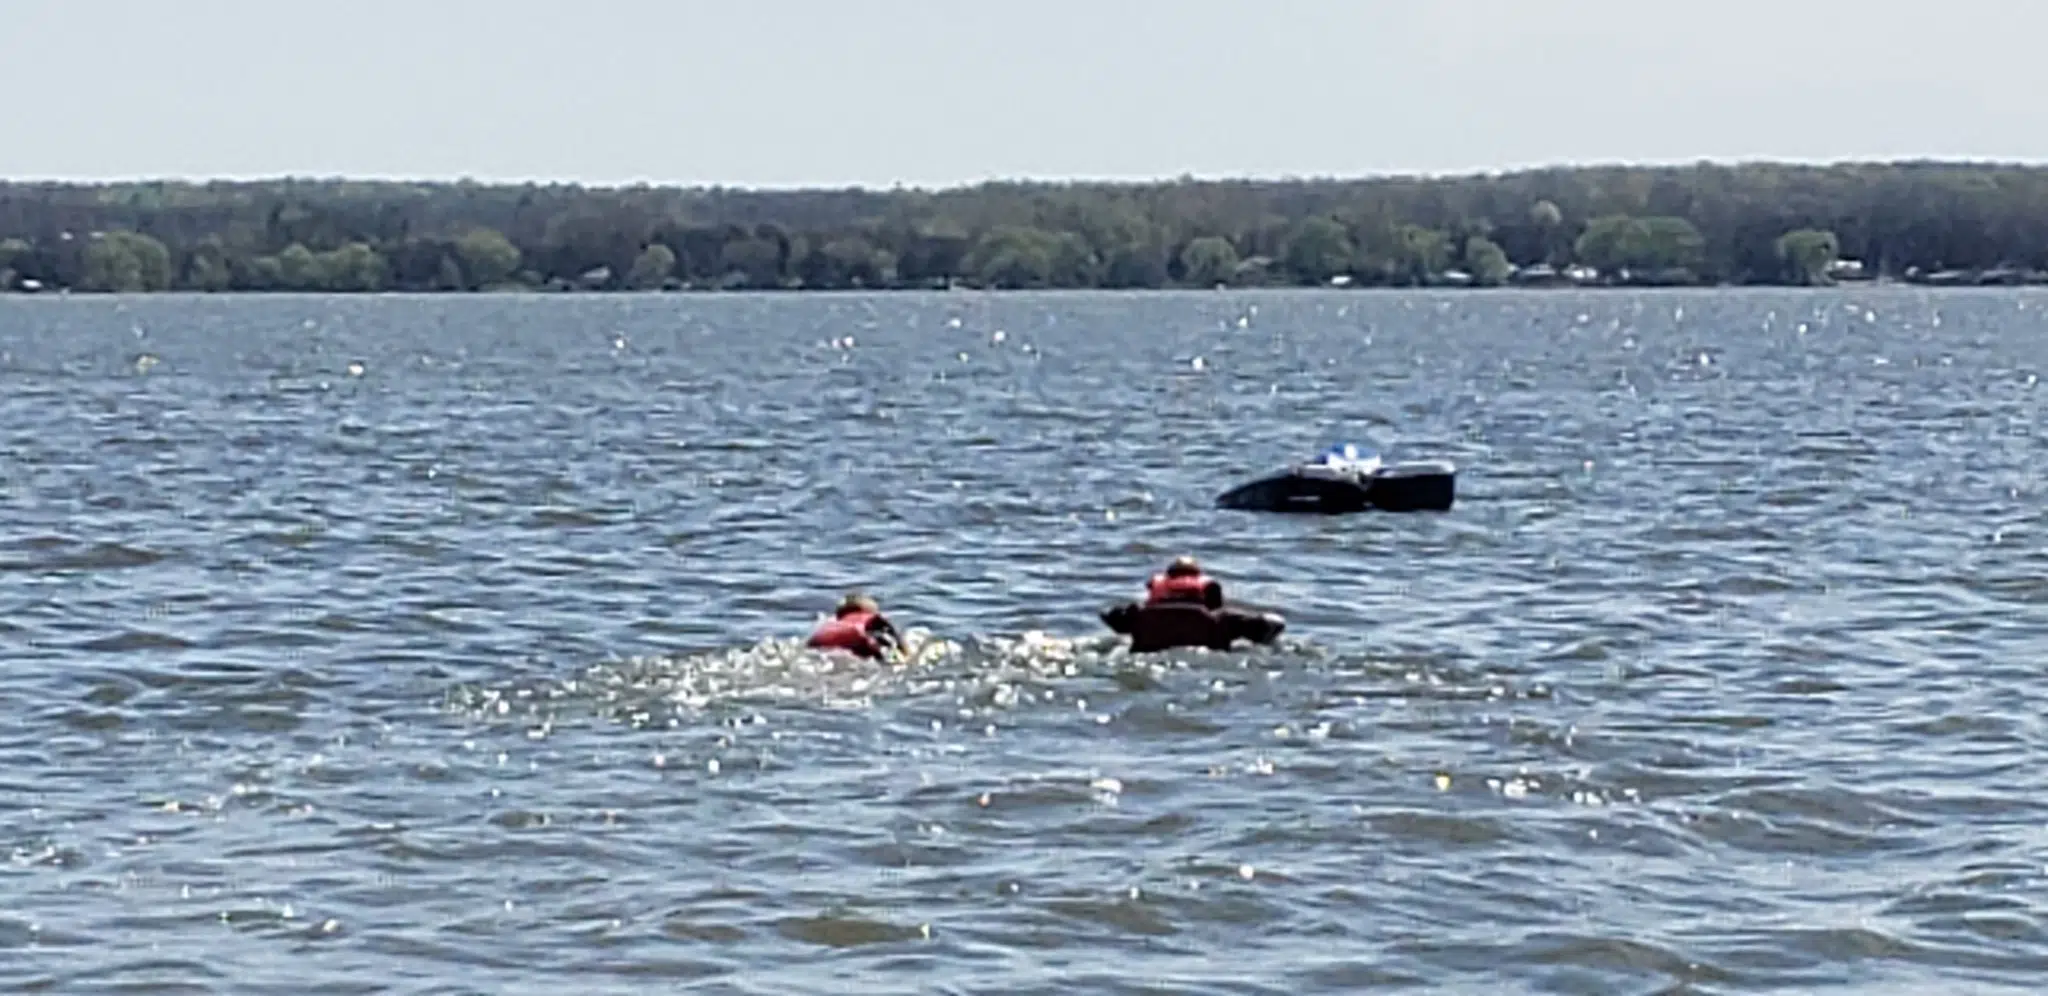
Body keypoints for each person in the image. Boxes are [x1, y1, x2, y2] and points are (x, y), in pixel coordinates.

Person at [806, 592, 903, 660]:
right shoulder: (870, 617)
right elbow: (889, 629)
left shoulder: (829, 625)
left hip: (818, 642)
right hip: (857, 636)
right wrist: (905, 653)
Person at [1144, 555, 1224, 611]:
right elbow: (1217, 610)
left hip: (1158, 625)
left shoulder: (1156, 582)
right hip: (1197, 626)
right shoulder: (1209, 584)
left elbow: (1149, 603)